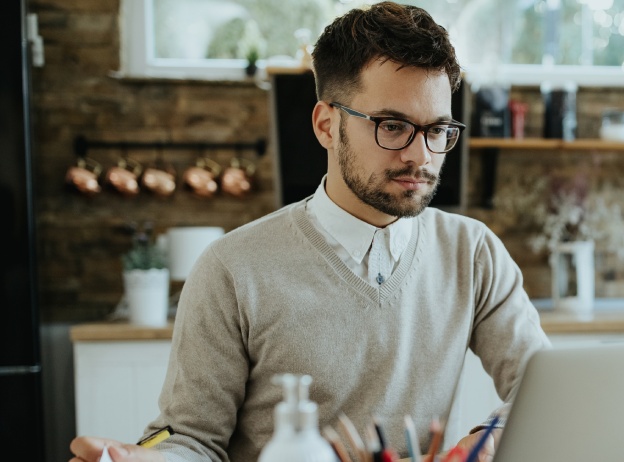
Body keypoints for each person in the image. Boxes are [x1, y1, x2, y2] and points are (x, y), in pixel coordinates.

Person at [70, 3, 551, 461]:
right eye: (392, 126)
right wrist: (143, 459)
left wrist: (492, 438)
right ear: (326, 124)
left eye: (437, 130)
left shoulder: (474, 253)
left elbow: (547, 392)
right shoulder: (232, 268)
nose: (420, 156)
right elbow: (191, 439)